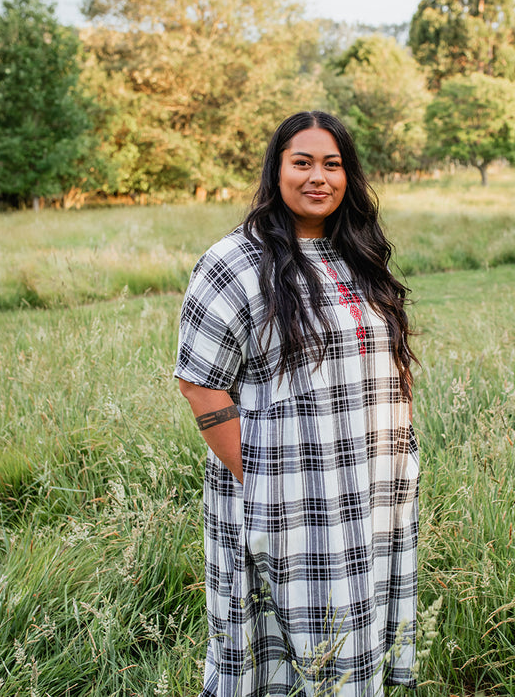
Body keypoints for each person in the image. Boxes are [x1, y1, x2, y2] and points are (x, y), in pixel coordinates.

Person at [175, 110, 419, 696]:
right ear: (276, 170)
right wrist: (258, 479)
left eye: (332, 165)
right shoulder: (235, 262)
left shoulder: (357, 253)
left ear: (349, 176)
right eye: (302, 162)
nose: (319, 177)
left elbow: (384, 363)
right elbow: (200, 382)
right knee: (279, 649)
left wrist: (401, 456)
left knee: (353, 645)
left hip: (371, 492)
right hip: (286, 500)